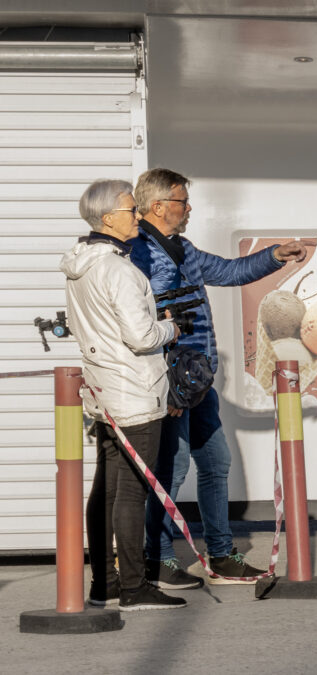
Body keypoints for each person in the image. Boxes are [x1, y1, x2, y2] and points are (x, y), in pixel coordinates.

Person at [131, 168, 308, 588]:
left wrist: (274, 256)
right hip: (170, 384)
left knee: (215, 463)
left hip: (199, 381)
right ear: (158, 207)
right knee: (170, 472)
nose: (189, 209)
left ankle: (222, 554)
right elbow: (140, 322)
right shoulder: (137, 254)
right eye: (182, 202)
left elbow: (228, 272)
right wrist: (167, 385)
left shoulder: (183, 248)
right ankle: (155, 559)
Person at [62, 180, 185, 611]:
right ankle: (134, 588)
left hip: (104, 391)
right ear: (109, 218)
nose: (138, 216)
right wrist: (172, 327)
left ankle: (105, 584)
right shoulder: (119, 269)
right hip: (136, 391)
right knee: (133, 491)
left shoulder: (80, 266)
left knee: (108, 490)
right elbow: (141, 336)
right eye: (132, 210)